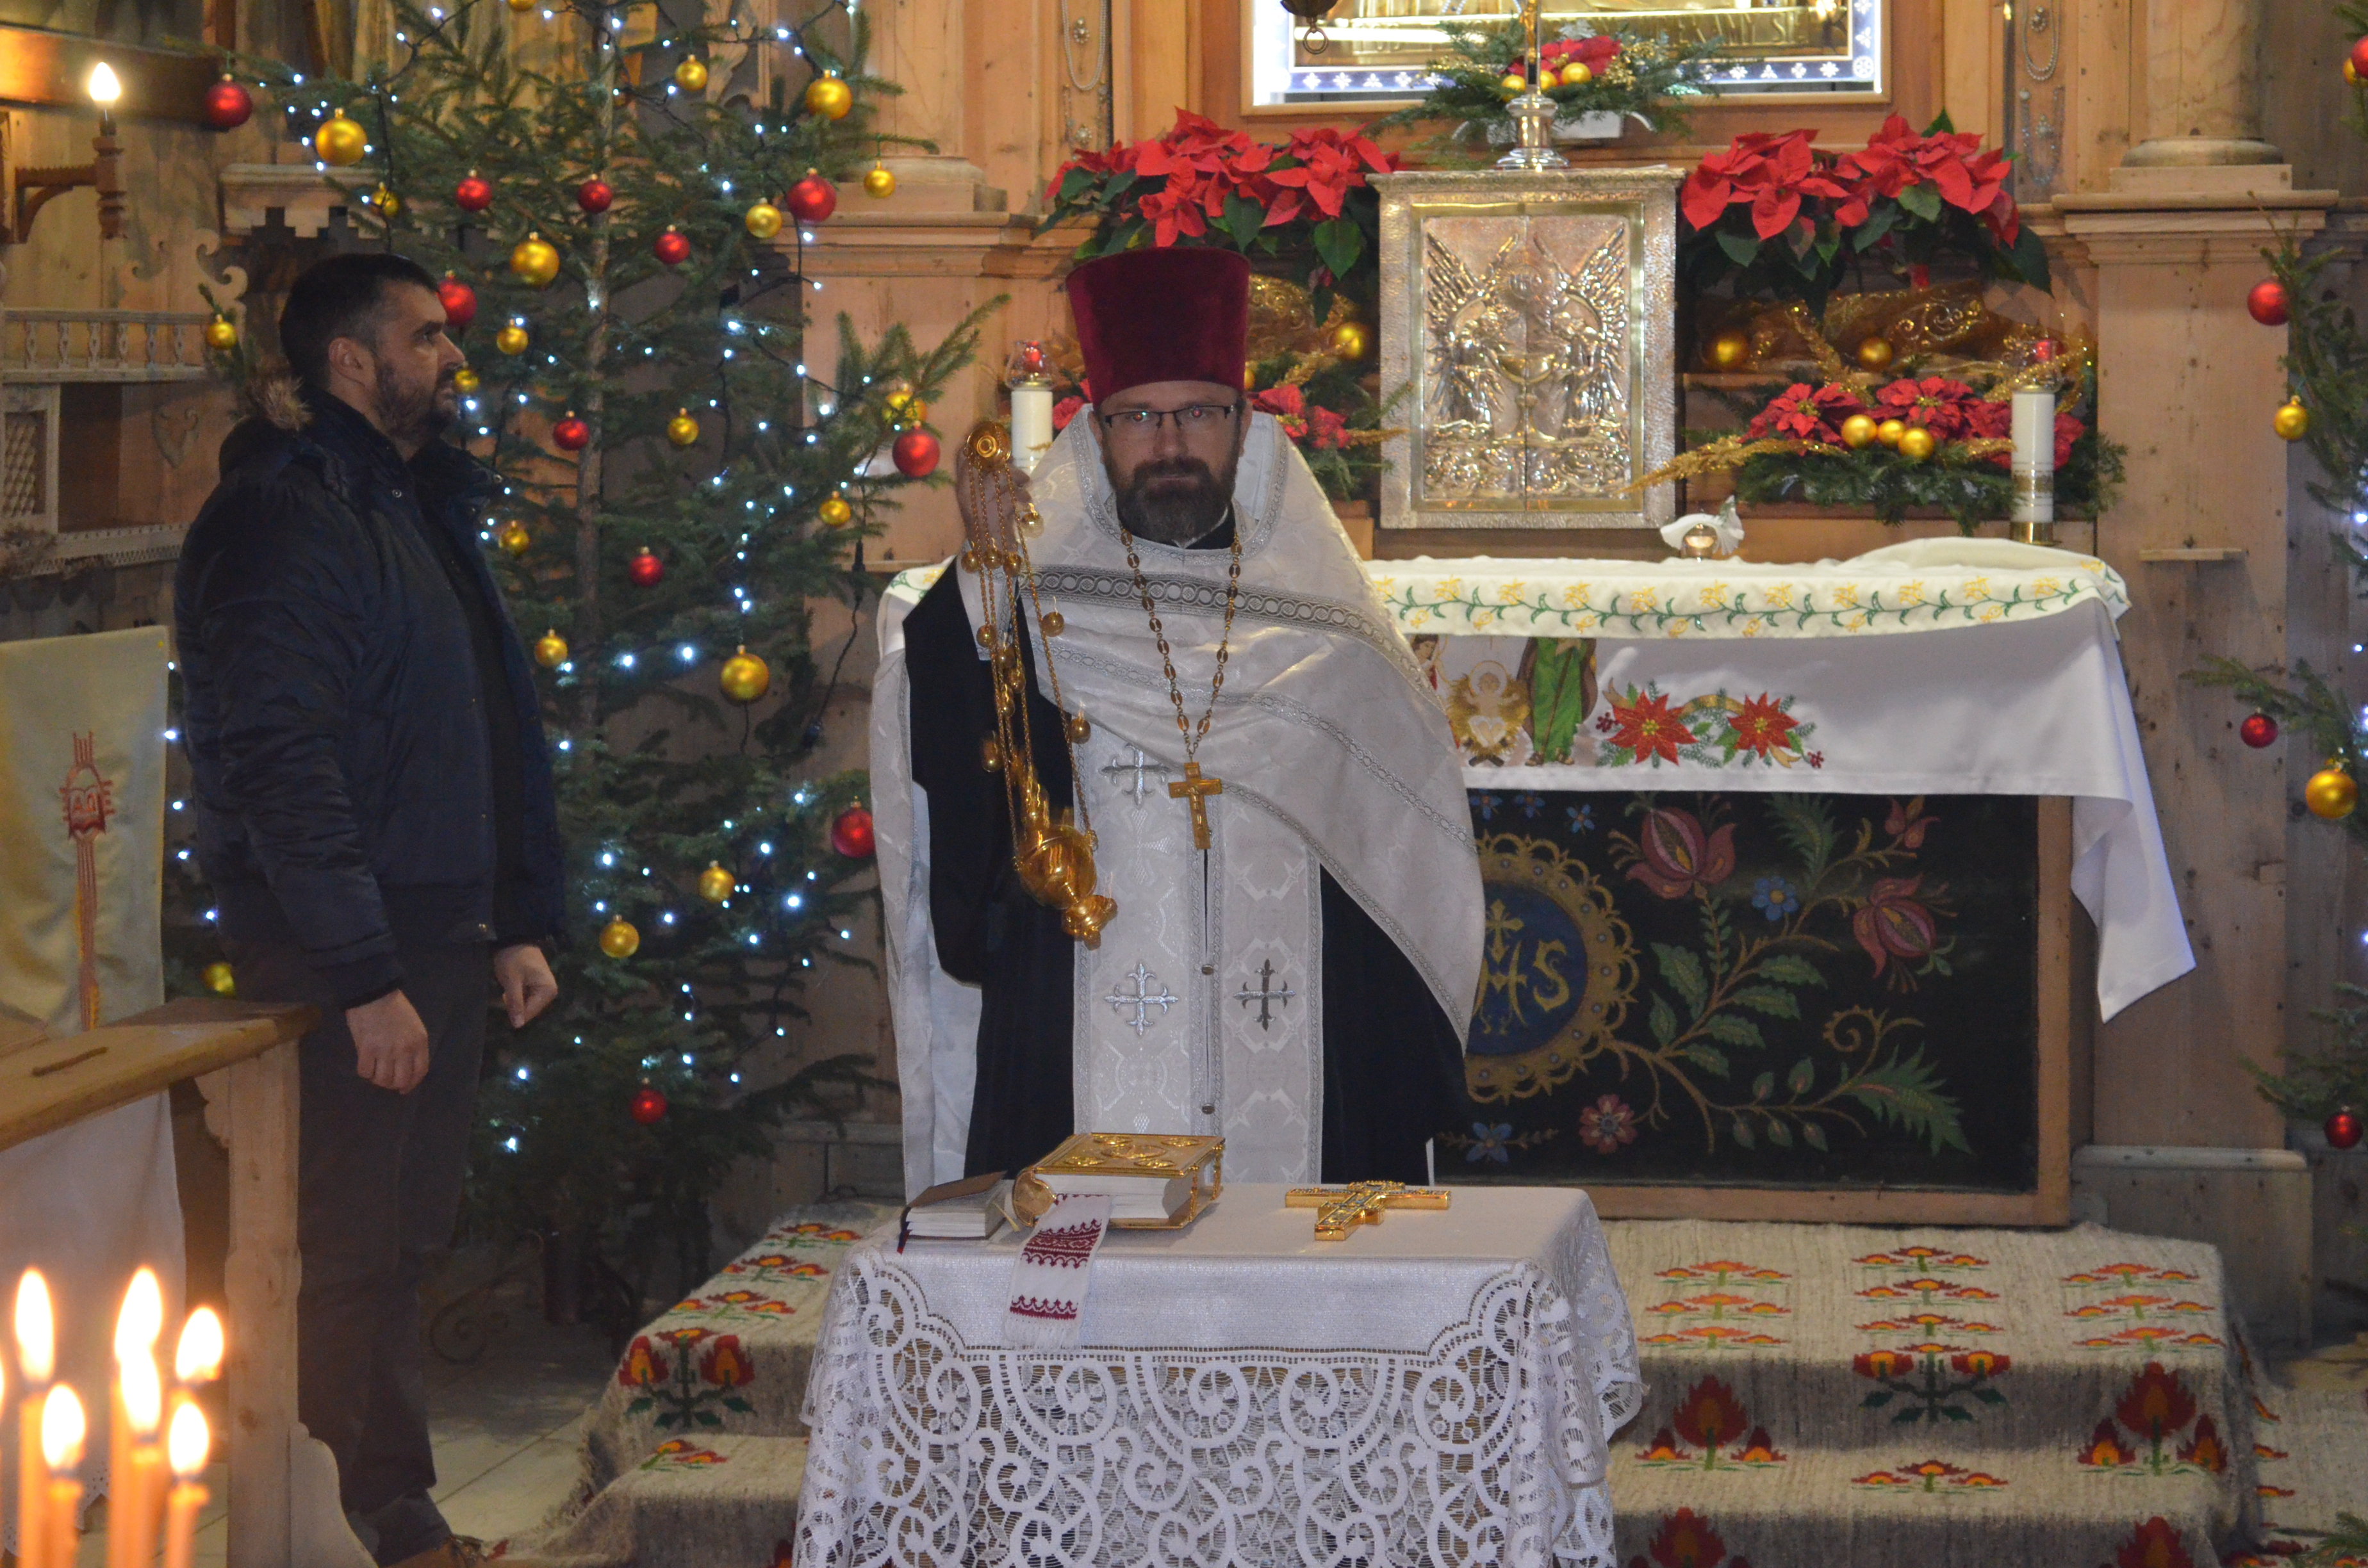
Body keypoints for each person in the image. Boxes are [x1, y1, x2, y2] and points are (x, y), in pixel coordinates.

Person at [875, 246, 1482, 1194]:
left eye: (1197, 413)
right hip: (1082, 1011)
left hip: (1300, 1028)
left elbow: (1402, 846)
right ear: (1096, 432)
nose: (1168, 445)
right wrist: (981, 577)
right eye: (1138, 417)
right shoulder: (1035, 590)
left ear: (1243, 423)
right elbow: (961, 748)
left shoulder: (1327, 618)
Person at [175, 252, 563, 1568]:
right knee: (339, 1250)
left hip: (428, 934)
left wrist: (510, 918)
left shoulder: (404, 499)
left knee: (398, 1245)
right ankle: (334, 1527)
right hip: (349, 949)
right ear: (352, 359)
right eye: (427, 336)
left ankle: (393, 1518)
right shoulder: (285, 515)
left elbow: (473, 722)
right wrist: (362, 975)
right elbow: (280, 759)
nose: (451, 359)